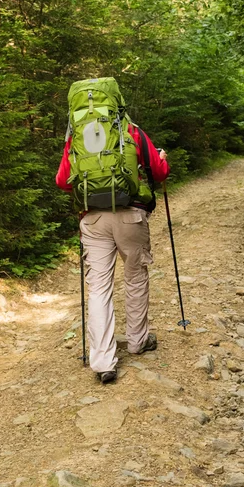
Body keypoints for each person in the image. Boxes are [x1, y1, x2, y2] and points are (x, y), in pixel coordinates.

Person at [56, 120, 170, 383]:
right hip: (131, 216)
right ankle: (137, 342)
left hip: (93, 219)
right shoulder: (132, 130)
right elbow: (159, 173)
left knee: (98, 288)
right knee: (135, 278)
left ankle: (103, 362)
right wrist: (162, 159)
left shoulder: (77, 135)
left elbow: (63, 181)